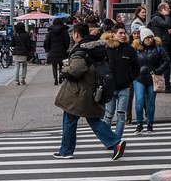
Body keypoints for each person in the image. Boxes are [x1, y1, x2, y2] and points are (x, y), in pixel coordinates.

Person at [53, 22, 126, 161]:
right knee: (93, 120)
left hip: (78, 92)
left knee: (70, 120)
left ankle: (66, 151)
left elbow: (77, 69)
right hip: (92, 90)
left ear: (76, 34)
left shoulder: (81, 50)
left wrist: (65, 69)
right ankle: (115, 143)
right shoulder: (95, 47)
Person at [101, 23, 138, 139]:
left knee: (121, 116)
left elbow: (136, 67)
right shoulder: (107, 48)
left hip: (124, 87)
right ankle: (108, 139)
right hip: (110, 88)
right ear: (113, 34)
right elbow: (100, 65)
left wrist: (129, 77)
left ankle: (117, 140)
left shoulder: (129, 49)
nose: (123, 35)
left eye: (124, 33)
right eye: (120, 33)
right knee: (108, 116)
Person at [132, 27, 168, 134]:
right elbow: (131, 63)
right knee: (139, 101)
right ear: (142, 39)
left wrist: (158, 70)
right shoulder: (136, 49)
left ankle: (149, 125)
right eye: (147, 38)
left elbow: (166, 61)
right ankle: (139, 124)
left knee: (151, 103)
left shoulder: (158, 49)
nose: (150, 40)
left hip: (153, 78)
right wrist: (134, 74)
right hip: (139, 78)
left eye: (151, 37)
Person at [149, 1, 171, 92]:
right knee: (165, 64)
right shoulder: (157, 18)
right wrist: (166, 15)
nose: (169, 10)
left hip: (165, 44)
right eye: (167, 9)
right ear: (162, 10)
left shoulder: (159, 17)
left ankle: (166, 84)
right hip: (162, 44)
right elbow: (167, 24)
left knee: (165, 63)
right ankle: (166, 86)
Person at [43, 17, 70, 85]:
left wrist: (48, 49)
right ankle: (61, 77)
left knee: (54, 65)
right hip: (62, 50)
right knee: (61, 65)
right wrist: (65, 48)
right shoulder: (64, 31)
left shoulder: (50, 32)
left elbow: (47, 41)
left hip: (53, 51)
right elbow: (67, 41)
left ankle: (55, 79)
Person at [10, 21, 34, 85]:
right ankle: (23, 79)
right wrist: (29, 51)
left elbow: (12, 44)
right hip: (23, 52)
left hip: (16, 52)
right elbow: (29, 45)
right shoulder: (26, 34)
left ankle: (16, 81)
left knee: (16, 67)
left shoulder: (14, 34)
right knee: (24, 66)